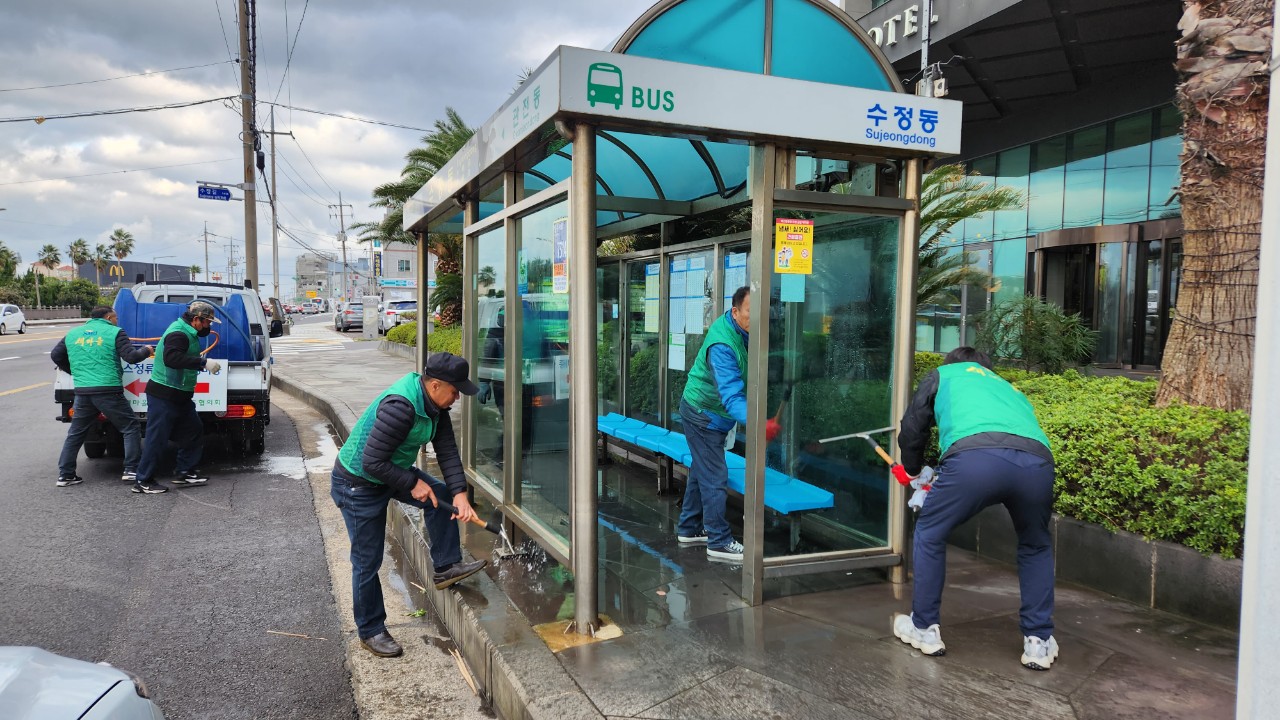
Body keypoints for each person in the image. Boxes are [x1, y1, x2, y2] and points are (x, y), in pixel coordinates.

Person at [894, 346, 1059, 671]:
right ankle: (1038, 641)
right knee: (1035, 544)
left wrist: (913, 471)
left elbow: (914, 426)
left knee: (930, 531)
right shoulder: (1006, 386)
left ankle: (924, 628)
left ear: (952, 363)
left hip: (973, 460)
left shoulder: (944, 374)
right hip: (1037, 463)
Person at [331, 352, 488, 658]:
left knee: (439, 494)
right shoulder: (400, 408)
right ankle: (371, 630)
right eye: (455, 391)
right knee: (367, 560)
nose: (456, 398)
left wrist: (459, 493)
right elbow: (372, 461)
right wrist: (413, 483)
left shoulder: (435, 407)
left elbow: (447, 451)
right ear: (435, 386)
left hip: (390, 471)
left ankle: (446, 566)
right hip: (358, 483)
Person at [676, 286, 779, 562]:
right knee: (714, 475)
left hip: (708, 413)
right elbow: (732, 396)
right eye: (750, 312)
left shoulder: (743, 331)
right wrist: (760, 425)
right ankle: (719, 541)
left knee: (703, 470)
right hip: (703, 414)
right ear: (735, 311)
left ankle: (689, 528)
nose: (756, 318)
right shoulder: (722, 345)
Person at [51, 306, 154, 487]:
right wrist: (147, 350)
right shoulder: (115, 332)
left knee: (76, 433)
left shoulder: (74, 333)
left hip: (83, 390)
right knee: (130, 427)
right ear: (108, 317)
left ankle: (65, 475)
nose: (117, 321)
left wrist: (77, 372)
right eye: (115, 318)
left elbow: (56, 355)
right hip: (108, 390)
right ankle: (131, 470)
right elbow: (131, 357)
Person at [132, 301, 222, 494]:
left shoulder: (188, 331)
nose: (209, 327)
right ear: (196, 319)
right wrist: (202, 363)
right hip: (164, 394)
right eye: (207, 322)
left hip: (180, 394)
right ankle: (143, 480)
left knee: (193, 430)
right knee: (157, 438)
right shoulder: (179, 333)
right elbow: (171, 359)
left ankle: (185, 471)